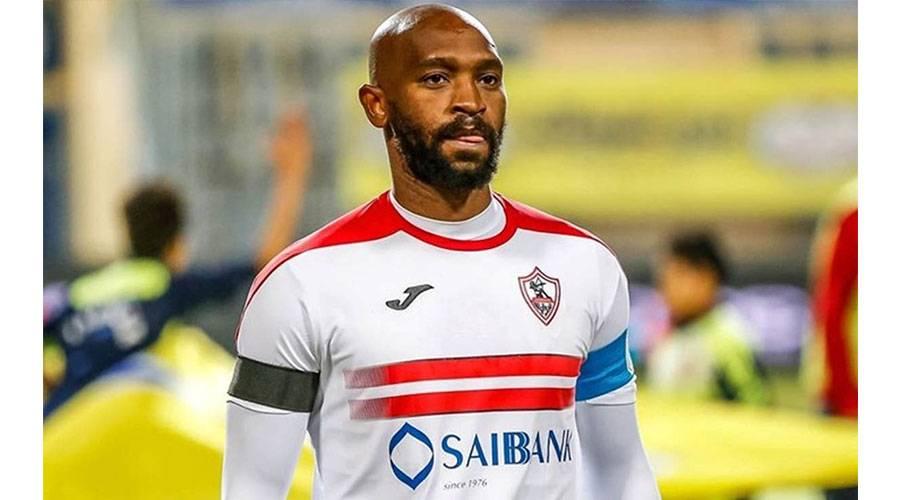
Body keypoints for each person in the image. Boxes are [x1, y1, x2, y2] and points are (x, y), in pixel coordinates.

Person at [222, 5, 658, 499]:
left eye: (488, 79)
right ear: (377, 105)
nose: (470, 101)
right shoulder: (302, 284)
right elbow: (252, 488)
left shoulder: (582, 265)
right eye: (436, 79)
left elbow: (622, 474)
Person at [42, 112, 313, 418]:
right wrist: (292, 174)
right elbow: (264, 261)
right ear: (177, 246)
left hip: (57, 426)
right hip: (113, 426)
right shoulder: (169, 288)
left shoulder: (78, 292)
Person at [645, 232, 770, 405]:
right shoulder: (668, 338)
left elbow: (757, 407)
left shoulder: (729, 339)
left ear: (707, 277)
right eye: (664, 276)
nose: (666, 286)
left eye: (677, 274)